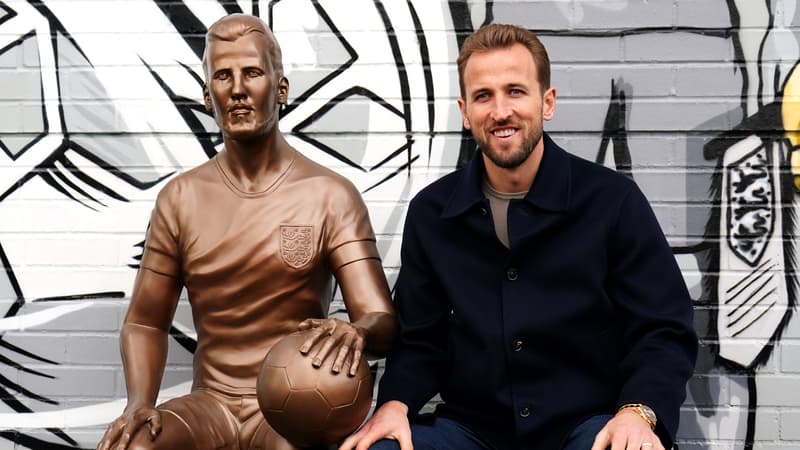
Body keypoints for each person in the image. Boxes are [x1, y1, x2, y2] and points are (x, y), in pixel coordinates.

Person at [340, 23, 697, 450]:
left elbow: (664, 328)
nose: (500, 111)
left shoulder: (612, 201)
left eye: (515, 91)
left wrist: (639, 413)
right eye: (483, 96)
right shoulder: (432, 214)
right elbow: (421, 340)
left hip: (587, 428)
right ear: (465, 111)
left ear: (547, 102)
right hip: (472, 432)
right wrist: (395, 403)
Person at [96, 13, 396, 450]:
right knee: (135, 444)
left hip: (287, 411)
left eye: (252, 72)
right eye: (223, 76)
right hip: (210, 405)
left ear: (281, 89)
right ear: (207, 96)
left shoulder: (330, 195)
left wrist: (359, 332)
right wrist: (139, 403)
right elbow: (144, 321)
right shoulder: (180, 198)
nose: (237, 89)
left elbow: (381, 319)